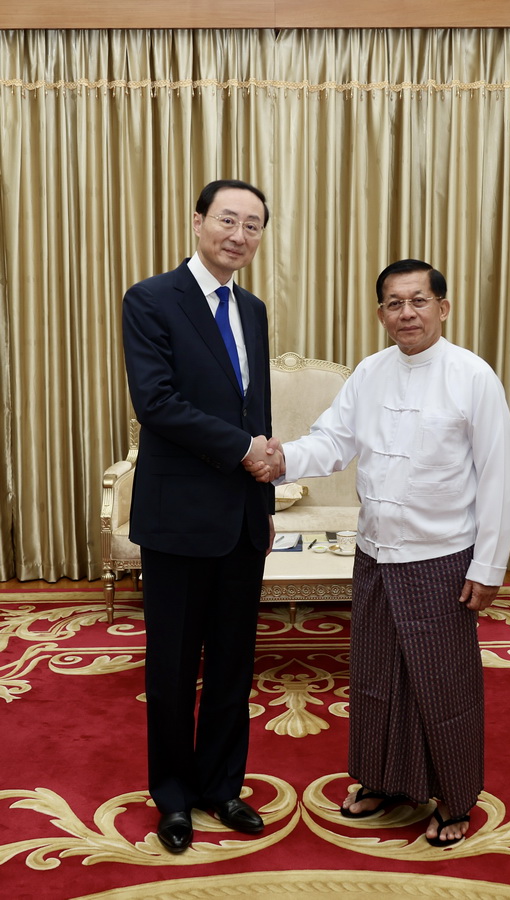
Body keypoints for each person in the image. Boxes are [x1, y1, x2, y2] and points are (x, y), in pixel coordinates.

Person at [246, 258, 510, 846]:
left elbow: (497, 478)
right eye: (395, 303)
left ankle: (454, 798)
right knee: (375, 678)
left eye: (418, 301)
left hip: (442, 557)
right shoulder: (369, 373)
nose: (406, 313)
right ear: (380, 314)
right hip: (373, 553)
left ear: (443, 308)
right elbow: (333, 442)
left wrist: (489, 565)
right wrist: (282, 459)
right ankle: (383, 781)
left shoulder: (473, 376)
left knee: (442, 685)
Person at [122, 179, 284, 854]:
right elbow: (156, 403)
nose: (238, 235)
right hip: (179, 517)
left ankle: (222, 786)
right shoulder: (151, 299)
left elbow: (257, 410)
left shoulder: (253, 309)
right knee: (172, 666)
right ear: (197, 222)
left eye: (252, 225)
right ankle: (173, 796)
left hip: (241, 517)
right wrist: (244, 449)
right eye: (227, 220)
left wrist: (264, 499)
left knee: (232, 664)